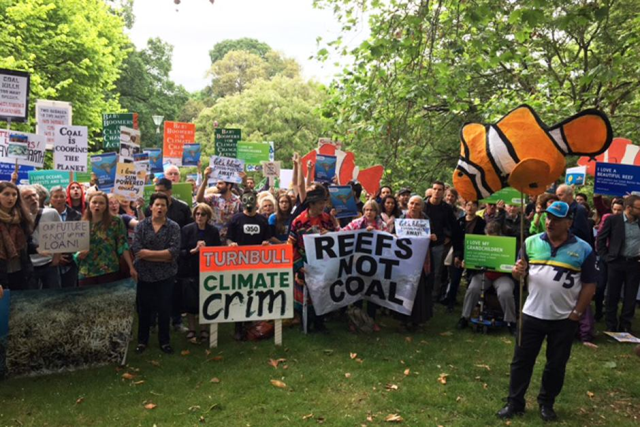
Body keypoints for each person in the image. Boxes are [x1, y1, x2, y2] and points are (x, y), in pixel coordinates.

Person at [497, 201, 597, 422]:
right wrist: (517, 272)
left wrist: (577, 314)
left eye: (557, 219)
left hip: (563, 318)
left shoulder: (584, 249)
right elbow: (518, 274)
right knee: (521, 361)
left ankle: (546, 403)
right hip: (532, 314)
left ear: (569, 222)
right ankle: (515, 402)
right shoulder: (531, 242)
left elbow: (590, 285)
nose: (550, 222)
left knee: (556, 365)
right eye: (548, 217)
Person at [132, 192, 181, 354]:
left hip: (166, 275)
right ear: (151, 207)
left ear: (167, 208)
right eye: (157, 205)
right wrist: (162, 255)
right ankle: (142, 341)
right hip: (144, 275)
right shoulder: (141, 226)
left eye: (163, 205)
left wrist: (148, 254)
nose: (160, 208)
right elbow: (137, 250)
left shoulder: (173, 227)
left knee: (164, 309)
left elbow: (173, 252)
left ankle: (164, 341)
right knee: (144, 309)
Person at [288, 186, 336, 333]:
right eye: (320, 203)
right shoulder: (298, 221)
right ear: (312, 204)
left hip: (323, 263)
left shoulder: (327, 219)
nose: (323, 205)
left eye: (324, 202)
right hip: (305, 262)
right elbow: (290, 245)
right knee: (305, 294)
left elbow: (336, 239)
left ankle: (320, 323)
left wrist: (330, 234)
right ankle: (306, 323)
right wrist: (299, 265)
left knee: (321, 293)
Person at [226, 190, 272, 340]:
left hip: (257, 263)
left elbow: (267, 238)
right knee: (240, 292)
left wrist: (266, 243)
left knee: (255, 292)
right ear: (241, 201)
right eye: (245, 199)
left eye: (251, 199)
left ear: (256, 200)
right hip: (239, 262)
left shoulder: (262, 220)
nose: (248, 202)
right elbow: (228, 238)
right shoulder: (236, 219)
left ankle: (251, 323)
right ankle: (238, 326)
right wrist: (231, 244)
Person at [457, 221, 517, 334]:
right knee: (472, 289)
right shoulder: (481, 242)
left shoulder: (508, 244)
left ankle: (511, 321)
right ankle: (464, 317)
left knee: (505, 292)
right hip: (483, 274)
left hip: (502, 275)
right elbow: (472, 259)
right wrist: (467, 263)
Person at [596, 195, 640, 333]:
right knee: (612, 295)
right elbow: (600, 240)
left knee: (630, 296)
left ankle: (625, 324)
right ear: (629, 208)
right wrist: (606, 257)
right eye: (638, 208)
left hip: (634, 263)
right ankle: (611, 324)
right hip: (616, 262)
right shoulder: (613, 220)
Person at [179, 203, 221, 343]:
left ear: (208, 216)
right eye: (197, 214)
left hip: (207, 270)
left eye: (203, 214)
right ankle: (192, 329)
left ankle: (204, 329)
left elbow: (217, 251)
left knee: (205, 300)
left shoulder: (213, 231)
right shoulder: (187, 229)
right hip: (190, 269)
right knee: (190, 301)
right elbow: (180, 251)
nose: (199, 217)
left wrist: (207, 250)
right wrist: (194, 250)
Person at [74, 192, 136, 286]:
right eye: (94, 202)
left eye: (101, 203)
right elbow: (74, 247)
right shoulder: (81, 224)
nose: (97, 205)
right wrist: (78, 254)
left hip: (110, 269)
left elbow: (123, 245)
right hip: (86, 270)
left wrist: (131, 267)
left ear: (106, 205)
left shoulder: (116, 221)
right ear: (89, 204)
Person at [399, 195, 437, 329]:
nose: (413, 206)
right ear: (407, 205)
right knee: (405, 289)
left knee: (420, 290)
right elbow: (394, 237)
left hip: (422, 260)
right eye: (411, 203)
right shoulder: (401, 219)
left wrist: (433, 238)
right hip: (405, 261)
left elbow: (432, 241)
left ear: (422, 207)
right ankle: (403, 320)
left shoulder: (426, 220)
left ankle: (417, 319)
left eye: (417, 204)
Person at [423, 181, 462, 303]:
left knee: (436, 272)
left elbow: (453, 227)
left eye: (440, 189)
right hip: (422, 244)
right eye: (434, 189)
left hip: (438, 244)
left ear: (443, 192)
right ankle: (421, 295)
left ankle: (433, 297)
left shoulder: (446, 209)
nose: (436, 192)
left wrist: (448, 237)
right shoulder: (423, 206)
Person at [443, 199, 486, 311]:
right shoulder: (459, 221)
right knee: (455, 279)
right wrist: (457, 255)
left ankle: (471, 304)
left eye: (473, 205)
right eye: (468, 205)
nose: (470, 208)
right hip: (459, 252)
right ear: (465, 206)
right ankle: (450, 303)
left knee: (472, 280)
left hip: (474, 254)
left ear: (477, 207)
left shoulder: (481, 223)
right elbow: (456, 239)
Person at [20, 185, 62, 289]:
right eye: (27, 197)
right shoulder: (19, 218)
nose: (33, 199)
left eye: (34, 195)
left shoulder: (51, 213)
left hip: (49, 263)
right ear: (21, 201)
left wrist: (57, 257)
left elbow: (60, 235)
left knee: (54, 293)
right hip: (29, 264)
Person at [0, 182, 36, 292]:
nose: (11, 198)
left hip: (22, 271)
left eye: (14, 194)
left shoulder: (22, 217)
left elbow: (27, 244)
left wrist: (38, 248)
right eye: (6, 194)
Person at [593, 198, 624, 321]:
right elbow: (600, 237)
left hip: (618, 259)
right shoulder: (607, 217)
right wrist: (603, 255)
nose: (616, 212)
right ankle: (598, 312)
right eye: (614, 209)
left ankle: (611, 314)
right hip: (605, 257)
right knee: (600, 285)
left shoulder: (627, 223)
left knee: (613, 289)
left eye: (619, 210)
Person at [49, 186, 82, 288]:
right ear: (50, 198)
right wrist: (56, 256)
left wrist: (71, 257)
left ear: (66, 198)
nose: (59, 199)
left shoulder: (77, 216)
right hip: (49, 263)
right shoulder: (43, 215)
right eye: (55, 196)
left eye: (61, 196)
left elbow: (80, 240)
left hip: (70, 262)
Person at [197, 168, 241, 241]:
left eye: (220, 183)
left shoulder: (237, 201)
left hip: (229, 239)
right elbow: (199, 200)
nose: (217, 186)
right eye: (217, 183)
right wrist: (205, 180)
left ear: (229, 186)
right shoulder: (213, 198)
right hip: (212, 236)